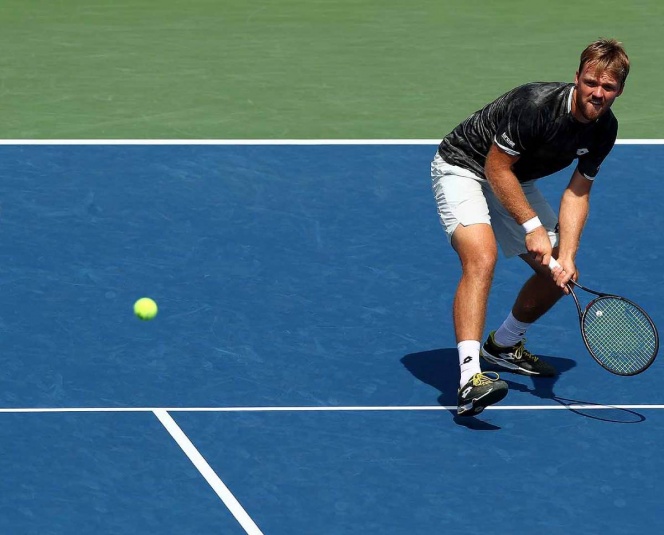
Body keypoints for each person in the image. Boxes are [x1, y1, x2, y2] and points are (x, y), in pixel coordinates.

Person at [430, 38, 629, 416]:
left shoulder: (605, 130)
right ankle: (470, 380)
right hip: (463, 166)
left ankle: (504, 344)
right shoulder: (536, 105)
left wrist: (567, 254)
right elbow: (494, 167)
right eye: (591, 82)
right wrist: (533, 225)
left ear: (619, 90)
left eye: (608, 87)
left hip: (513, 180)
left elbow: (577, 192)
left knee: (559, 274)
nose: (598, 93)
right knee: (482, 257)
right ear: (577, 78)